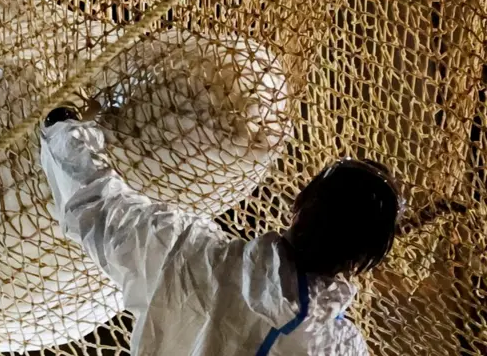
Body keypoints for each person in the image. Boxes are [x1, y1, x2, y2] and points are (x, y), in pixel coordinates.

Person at [39, 105, 404, 356]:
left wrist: (62, 129)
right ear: (361, 263)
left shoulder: (195, 256)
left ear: (300, 205)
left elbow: (103, 211)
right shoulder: (341, 348)